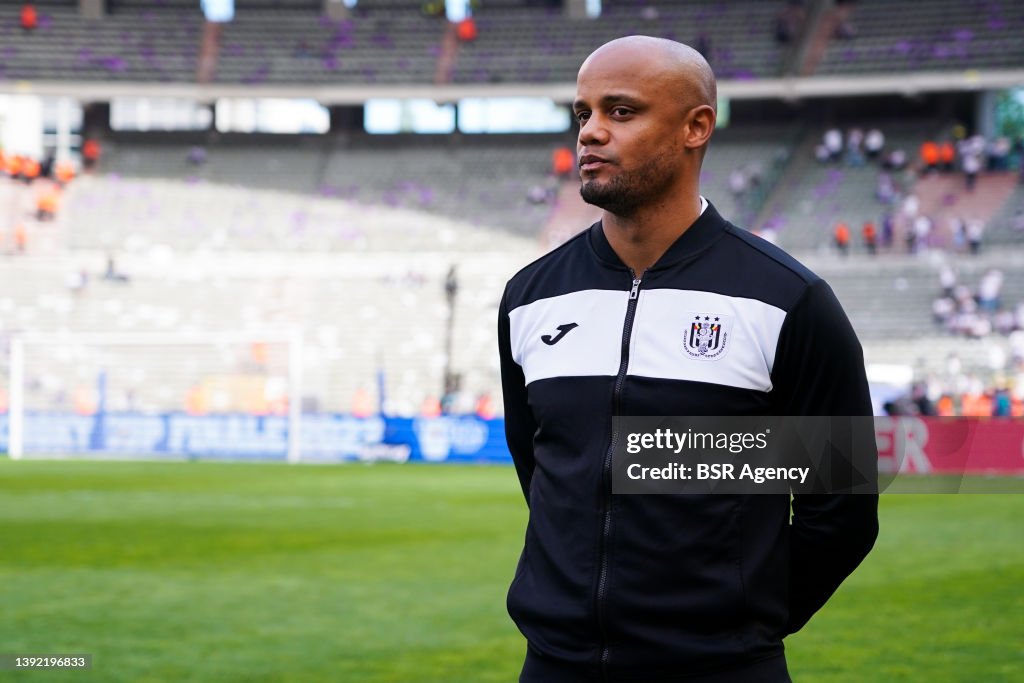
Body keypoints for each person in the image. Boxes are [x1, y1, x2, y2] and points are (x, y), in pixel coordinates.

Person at [497, 36, 878, 683]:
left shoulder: (787, 300)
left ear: (695, 127)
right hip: (555, 666)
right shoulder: (531, 297)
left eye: (620, 111)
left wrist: (739, 617)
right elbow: (541, 467)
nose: (589, 132)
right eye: (582, 113)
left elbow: (839, 508)